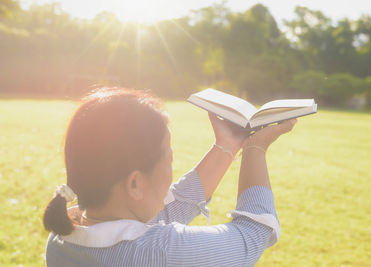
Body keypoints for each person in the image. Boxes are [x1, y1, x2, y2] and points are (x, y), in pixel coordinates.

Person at [43, 88, 296, 266]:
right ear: (135, 183)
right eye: (169, 158)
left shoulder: (62, 235)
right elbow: (253, 234)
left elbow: (164, 212)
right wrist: (255, 148)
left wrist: (227, 146)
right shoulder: (163, 252)